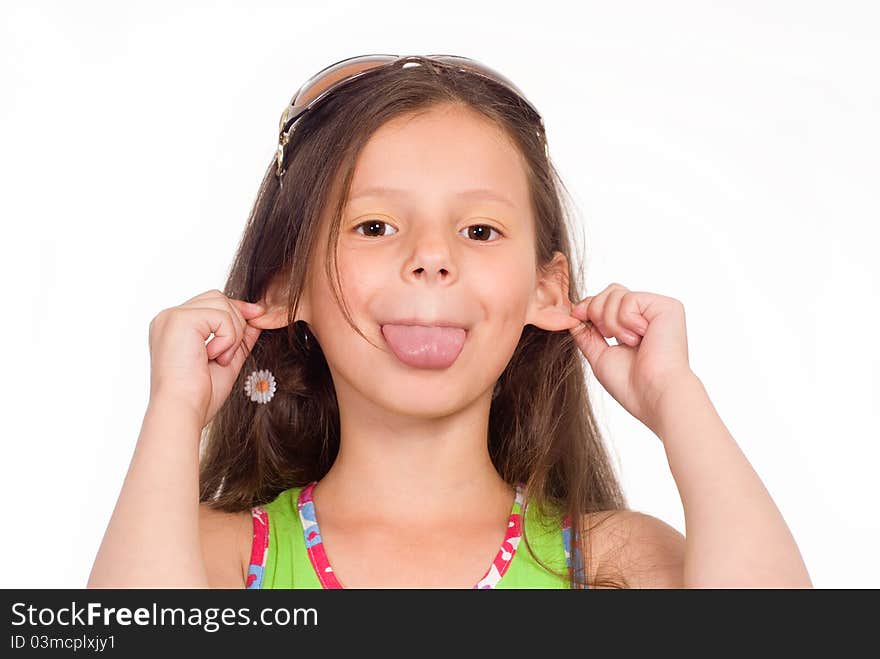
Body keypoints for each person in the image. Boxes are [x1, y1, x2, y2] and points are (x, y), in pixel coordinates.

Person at [87, 55, 812, 589]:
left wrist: (676, 396)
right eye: (374, 225)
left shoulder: (615, 562)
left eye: (479, 231)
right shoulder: (215, 560)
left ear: (547, 290)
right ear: (283, 288)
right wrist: (174, 411)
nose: (431, 259)